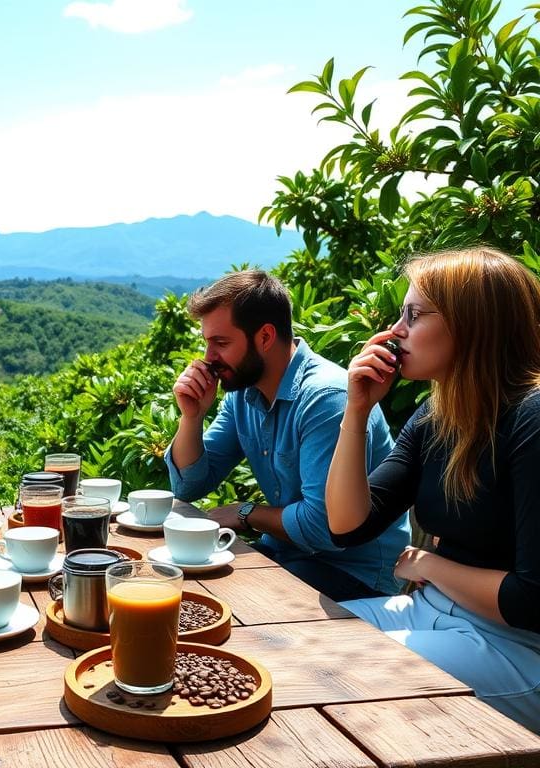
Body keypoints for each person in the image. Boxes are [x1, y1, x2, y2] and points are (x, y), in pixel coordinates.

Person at [326, 248, 540, 732]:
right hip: (432, 611)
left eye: (414, 314)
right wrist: (357, 411)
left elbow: (530, 600)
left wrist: (430, 564)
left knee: (347, 674)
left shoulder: (532, 419)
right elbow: (347, 526)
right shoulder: (435, 416)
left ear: (472, 323)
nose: (395, 330)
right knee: (305, 642)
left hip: (516, 647)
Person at [167, 270, 409, 601]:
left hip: (353, 572)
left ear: (265, 337)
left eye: (221, 343)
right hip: (288, 556)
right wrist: (191, 418)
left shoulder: (325, 398)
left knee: (231, 603)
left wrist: (244, 513)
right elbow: (188, 486)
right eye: (207, 343)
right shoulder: (243, 393)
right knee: (180, 587)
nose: (209, 358)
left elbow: (323, 529)